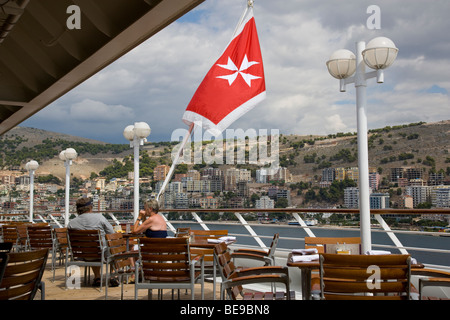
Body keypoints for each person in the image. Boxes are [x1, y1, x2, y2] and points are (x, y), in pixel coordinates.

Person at [68, 197, 118, 287]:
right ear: (90, 207)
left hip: (85, 254)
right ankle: (113, 275)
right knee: (114, 247)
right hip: (102, 253)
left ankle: (97, 277)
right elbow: (111, 233)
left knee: (92, 250)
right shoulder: (99, 217)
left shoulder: (71, 223)